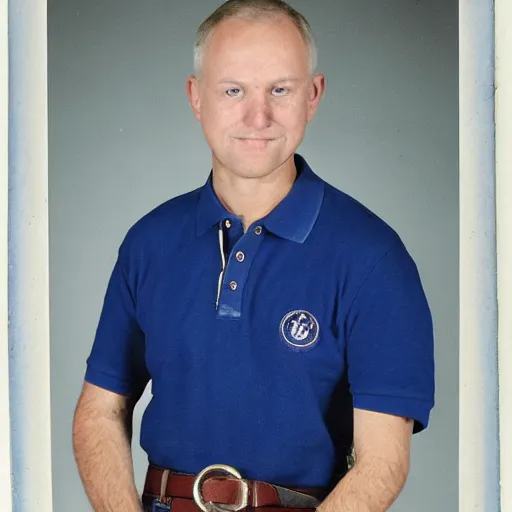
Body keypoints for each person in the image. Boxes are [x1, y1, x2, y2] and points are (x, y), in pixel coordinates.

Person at [72, 1, 435, 511]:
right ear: (197, 97)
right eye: (233, 90)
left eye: (280, 90)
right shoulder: (148, 242)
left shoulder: (374, 258)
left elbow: (382, 463)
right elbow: (99, 411)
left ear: (313, 96)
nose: (257, 115)